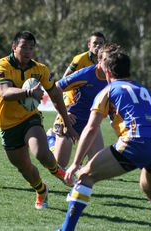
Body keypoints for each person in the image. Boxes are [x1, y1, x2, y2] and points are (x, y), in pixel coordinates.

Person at [58, 44, 151, 230]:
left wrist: (76, 163)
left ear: (107, 72)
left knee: (84, 176)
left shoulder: (107, 91)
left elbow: (91, 129)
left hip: (136, 141)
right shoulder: (147, 92)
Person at [0, 31, 79, 209]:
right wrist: (30, 92)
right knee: (24, 168)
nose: (27, 51)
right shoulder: (2, 66)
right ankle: (41, 190)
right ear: (14, 47)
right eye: (24, 47)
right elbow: (5, 92)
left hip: (29, 119)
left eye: (31, 48)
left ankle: (62, 174)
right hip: (8, 126)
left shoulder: (40, 69)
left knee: (41, 153)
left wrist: (68, 124)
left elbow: (55, 95)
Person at [47, 31, 106, 166]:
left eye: (101, 44)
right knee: (60, 164)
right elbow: (61, 83)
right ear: (89, 45)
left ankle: (79, 165)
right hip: (72, 107)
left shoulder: (111, 75)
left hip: (90, 115)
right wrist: (64, 112)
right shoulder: (81, 62)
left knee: (97, 163)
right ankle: (51, 139)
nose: (97, 46)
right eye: (95, 43)